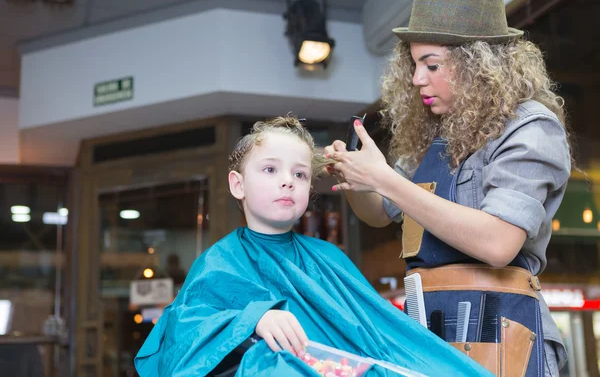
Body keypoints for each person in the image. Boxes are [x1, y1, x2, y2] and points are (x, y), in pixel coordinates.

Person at [325, 0, 570, 377]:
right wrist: (356, 177)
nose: (418, 78)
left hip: (502, 333)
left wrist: (386, 179)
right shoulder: (432, 136)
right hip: (429, 332)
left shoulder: (531, 129)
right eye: (414, 64)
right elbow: (379, 212)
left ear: (478, 64)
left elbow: (497, 242)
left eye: (431, 64)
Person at [134, 115, 492, 376]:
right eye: (271, 170)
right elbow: (180, 337)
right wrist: (252, 318)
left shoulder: (330, 259)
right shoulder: (219, 264)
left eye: (300, 174)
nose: (288, 182)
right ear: (237, 184)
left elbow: (382, 339)